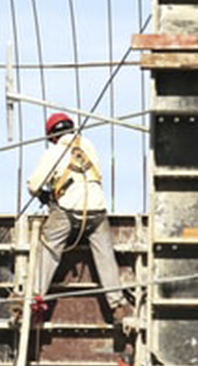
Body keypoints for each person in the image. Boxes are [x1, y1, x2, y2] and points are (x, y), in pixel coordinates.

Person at [25, 112, 132, 325]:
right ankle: (117, 304)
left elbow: (33, 185)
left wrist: (44, 195)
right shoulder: (89, 146)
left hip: (68, 209)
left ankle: (35, 296)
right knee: (105, 256)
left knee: (50, 248)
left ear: (52, 136)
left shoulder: (55, 151)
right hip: (97, 210)